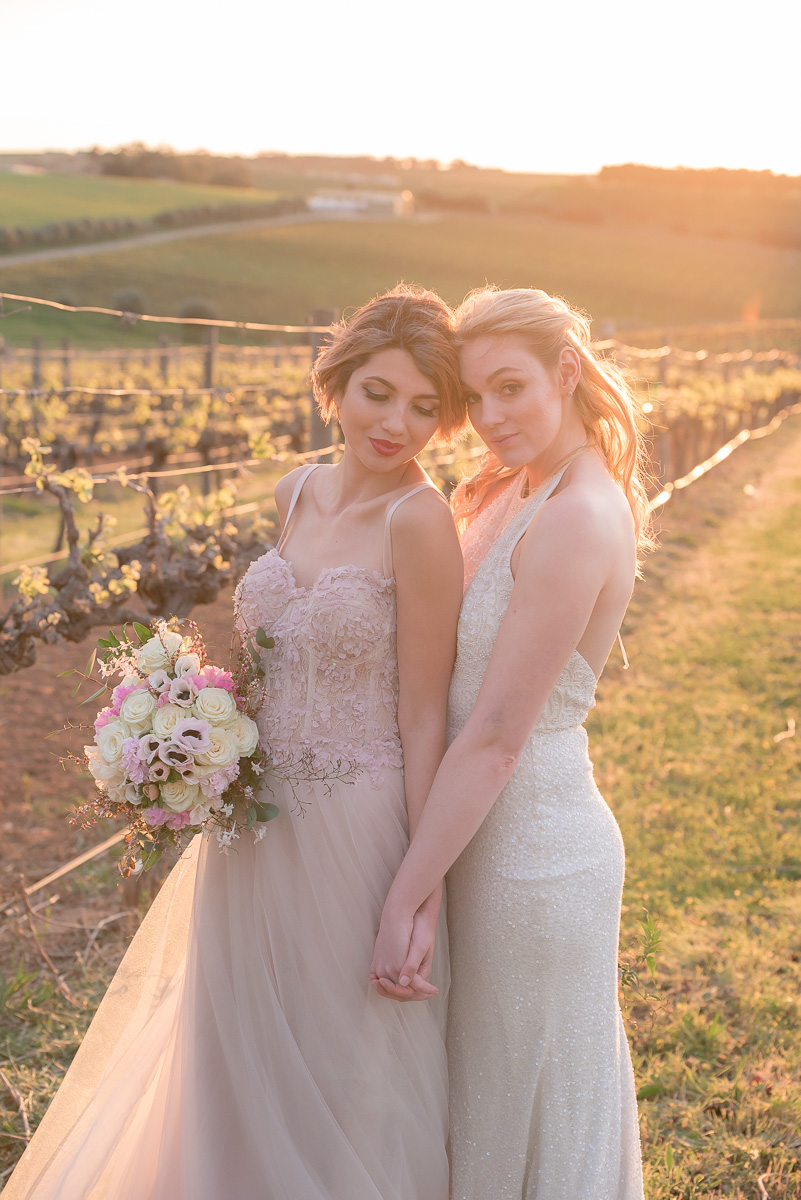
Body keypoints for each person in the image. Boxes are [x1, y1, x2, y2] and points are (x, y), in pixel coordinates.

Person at [5, 285, 466, 1200]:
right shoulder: (297, 487)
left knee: (337, 1061)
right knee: (233, 1042)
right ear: (335, 384)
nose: (397, 424)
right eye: (379, 392)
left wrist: (418, 892)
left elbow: (423, 716)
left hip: (355, 826)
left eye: (424, 407)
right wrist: (187, 737)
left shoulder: (419, 522)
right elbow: (265, 661)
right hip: (250, 826)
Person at [371, 286, 650, 1199]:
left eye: (511, 389)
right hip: (467, 829)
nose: (487, 418)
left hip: (532, 853)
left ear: (566, 372)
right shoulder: (503, 487)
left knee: (519, 1104)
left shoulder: (576, 514)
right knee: (468, 1097)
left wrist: (406, 894)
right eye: (474, 395)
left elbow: (494, 736)